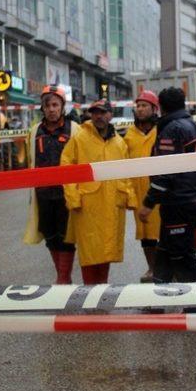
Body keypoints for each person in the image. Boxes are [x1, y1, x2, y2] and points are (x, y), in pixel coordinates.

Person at [61, 99, 137, 285]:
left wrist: (130, 197)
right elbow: (66, 167)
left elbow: (125, 172)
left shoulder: (119, 143)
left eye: (103, 112)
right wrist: (73, 197)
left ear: (110, 115)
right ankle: (90, 291)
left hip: (112, 204)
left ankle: (101, 290)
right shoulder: (79, 138)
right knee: (89, 251)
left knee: (107, 251)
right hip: (87, 205)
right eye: (95, 112)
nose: (99, 116)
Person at [138, 87, 196, 285]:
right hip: (189, 198)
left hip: (178, 202)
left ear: (161, 107)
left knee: (183, 258)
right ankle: (159, 299)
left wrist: (148, 202)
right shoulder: (193, 125)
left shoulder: (172, 129)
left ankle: (193, 309)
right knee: (165, 252)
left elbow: (166, 171)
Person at [23, 85, 79, 284]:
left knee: (67, 237)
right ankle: (62, 276)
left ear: (63, 106)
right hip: (43, 194)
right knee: (51, 237)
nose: (52, 109)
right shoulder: (35, 131)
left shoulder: (74, 130)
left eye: (55, 105)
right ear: (42, 108)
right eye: (48, 106)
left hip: (67, 194)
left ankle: (64, 277)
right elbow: (30, 161)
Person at [124, 90, 160, 283]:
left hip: (160, 191)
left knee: (163, 232)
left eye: (144, 105)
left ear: (154, 109)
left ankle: (166, 269)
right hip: (139, 192)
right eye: (138, 105)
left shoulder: (161, 130)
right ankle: (152, 268)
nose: (140, 109)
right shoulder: (129, 135)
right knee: (146, 235)